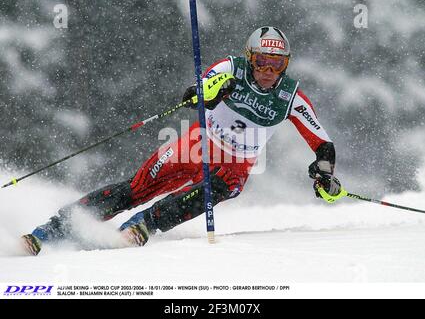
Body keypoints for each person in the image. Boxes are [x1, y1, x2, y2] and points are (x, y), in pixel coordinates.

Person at [21, 26, 343, 255]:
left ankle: (142, 226)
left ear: (286, 65)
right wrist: (207, 94)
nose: (269, 71)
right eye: (262, 62)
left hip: (235, 166)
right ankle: (52, 230)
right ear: (250, 57)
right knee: (136, 188)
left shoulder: (291, 98)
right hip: (196, 145)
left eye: (278, 64)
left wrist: (324, 173)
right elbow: (201, 88)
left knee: (213, 189)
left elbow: (323, 145)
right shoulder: (233, 67)